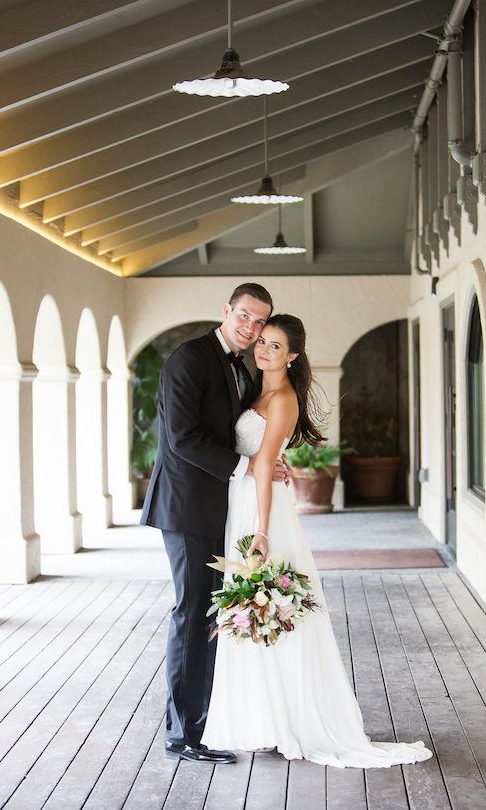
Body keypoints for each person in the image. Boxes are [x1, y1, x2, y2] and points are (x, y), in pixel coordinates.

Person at [202, 314, 433, 768]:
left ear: (293, 356)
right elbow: (253, 457)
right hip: (243, 497)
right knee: (252, 609)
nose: (264, 349)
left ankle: (289, 716)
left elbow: (266, 465)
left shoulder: (283, 397)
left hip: (260, 509)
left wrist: (262, 531)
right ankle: (262, 716)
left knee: (270, 606)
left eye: (275, 345)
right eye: (262, 342)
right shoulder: (255, 388)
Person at [141, 283, 287, 765]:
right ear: (227, 311)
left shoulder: (239, 365)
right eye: (244, 316)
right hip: (185, 508)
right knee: (193, 613)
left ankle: (205, 720)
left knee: (209, 614)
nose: (251, 327)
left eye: (260, 322)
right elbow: (181, 439)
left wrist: (266, 461)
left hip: (216, 508)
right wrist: (247, 467)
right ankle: (183, 735)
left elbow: (236, 432)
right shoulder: (189, 359)